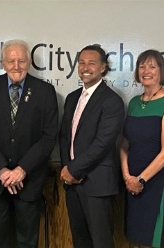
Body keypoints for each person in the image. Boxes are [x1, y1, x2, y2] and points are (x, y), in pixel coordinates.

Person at [0, 39, 58, 248]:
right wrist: (2, 171)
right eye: (11, 61)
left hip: (29, 179)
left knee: (27, 240)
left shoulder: (45, 92)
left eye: (21, 61)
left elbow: (48, 137)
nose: (16, 66)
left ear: (29, 62)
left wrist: (22, 169)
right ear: (2, 63)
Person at [59, 45, 125, 248]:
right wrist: (67, 171)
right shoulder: (72, 98)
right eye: (81, 63)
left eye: (91, 63)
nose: (85, 67)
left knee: (101, 242)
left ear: (103, 68)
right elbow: (65, 138)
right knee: (80, 241)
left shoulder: (112, 101)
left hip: (96, 184)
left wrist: (74, 169)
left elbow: (103, 143)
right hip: (72, 184)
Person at [120, 50, 164, 248]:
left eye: (152, 66)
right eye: (142, 66)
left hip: (155, 183)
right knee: (138, 240)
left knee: (154, 241)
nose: (146, 71)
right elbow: (124, 145)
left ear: (161, 71)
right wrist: (128, 177)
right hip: (132, 183)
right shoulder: (134, 103)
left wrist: (141, 179)